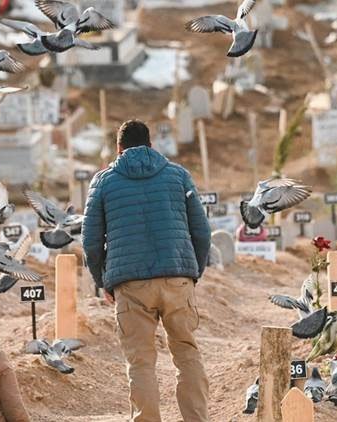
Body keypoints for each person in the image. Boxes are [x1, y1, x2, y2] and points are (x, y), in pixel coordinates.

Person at [83, 119, 212, 421]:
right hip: (177, 279)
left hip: (129, 284)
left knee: (140, 363)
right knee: (187, 354)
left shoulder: (103, 182)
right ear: (151, 145)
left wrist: (102, 280)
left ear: (118, 149)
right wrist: (192, 273)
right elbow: (203, 232)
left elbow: (90, 241)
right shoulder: (179, 176)